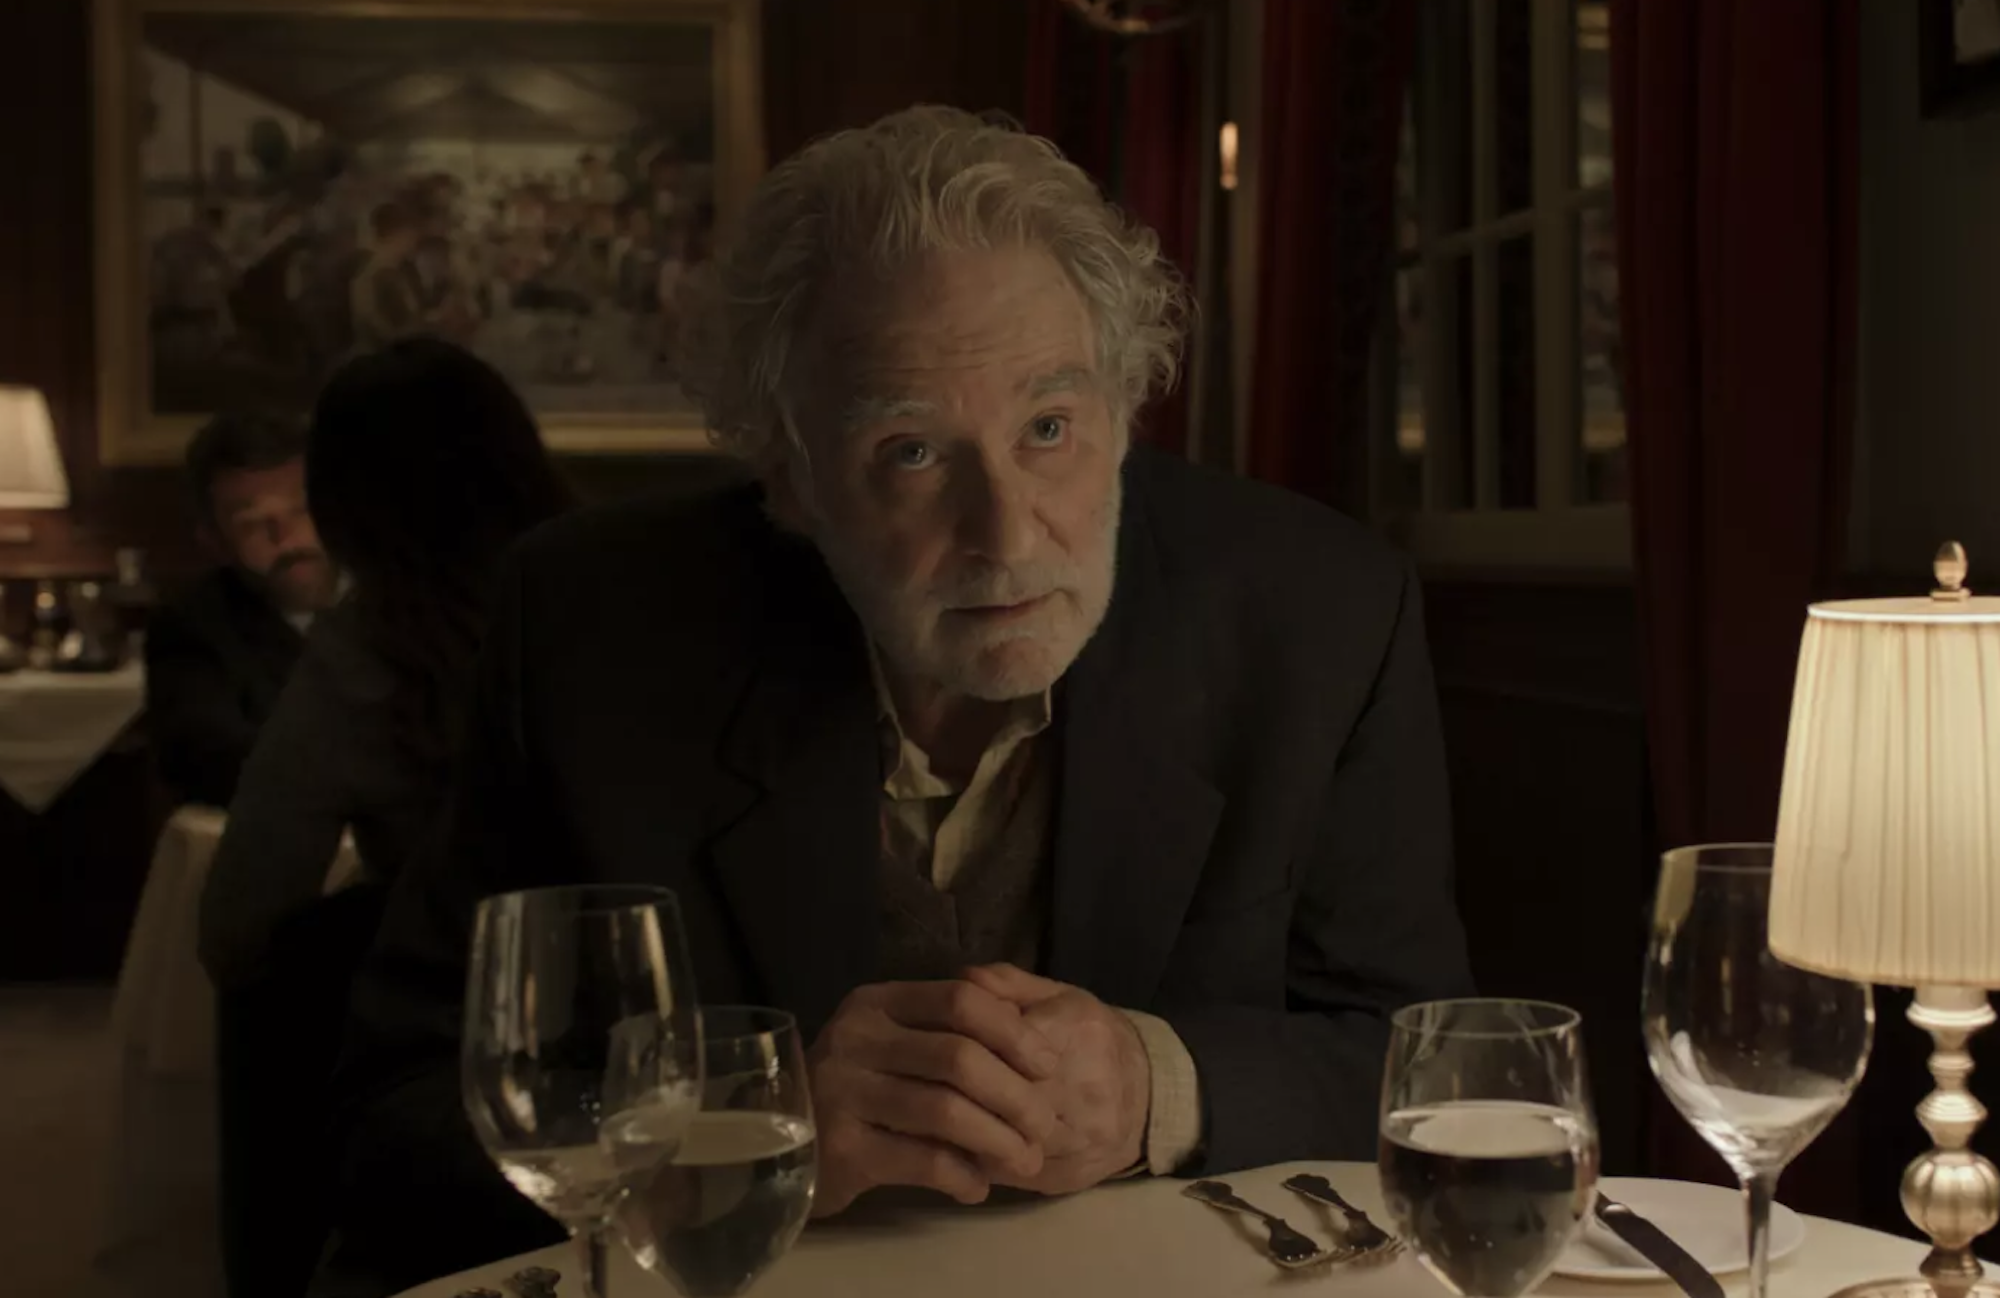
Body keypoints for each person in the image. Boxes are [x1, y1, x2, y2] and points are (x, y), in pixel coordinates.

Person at [323, 106, 1471, 1294]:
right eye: (911, 452)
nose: (1008, 535)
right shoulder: (589, 632)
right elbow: (393, 1114)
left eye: (1048, 427)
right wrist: (737, 1133)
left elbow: (1430, 1062)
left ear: (1124, 409)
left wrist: (1155, 1086)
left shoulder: (1316, 613)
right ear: (788, 470)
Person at [203, 338, 574, 1298]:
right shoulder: (625, 595)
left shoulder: (367, 657)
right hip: (676, 1012)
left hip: (454, 1066)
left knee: (293, 976)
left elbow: (237, 921)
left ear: (345, 505)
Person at [146, 412, 337, 807]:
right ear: (214, 542)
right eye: (251, 523)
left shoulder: (409, 595)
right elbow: (207, 754)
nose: (285, 537)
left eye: (302, 509)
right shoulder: (191, 626)